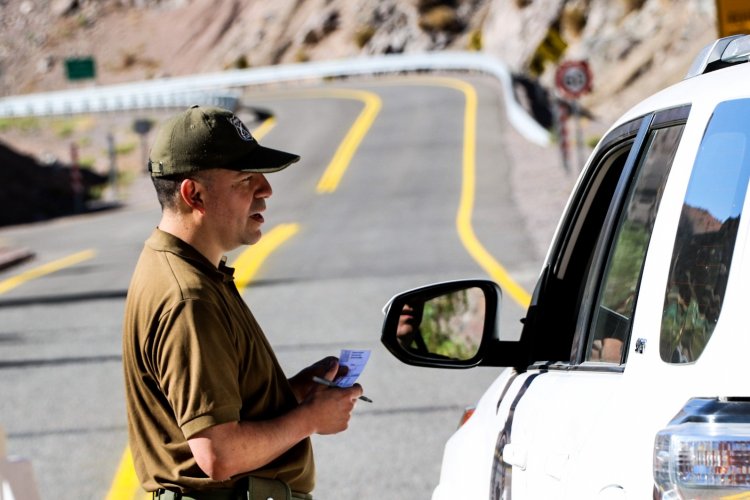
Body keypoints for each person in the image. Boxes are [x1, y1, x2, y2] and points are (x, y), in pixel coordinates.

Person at [122, 105, 363, 500]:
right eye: (244, 179)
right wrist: (311, 418)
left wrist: (295, 392)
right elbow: (219, 454)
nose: (265, 190)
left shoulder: (188, 271)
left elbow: (218, 411)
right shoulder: (189, 297)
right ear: (193, 194)